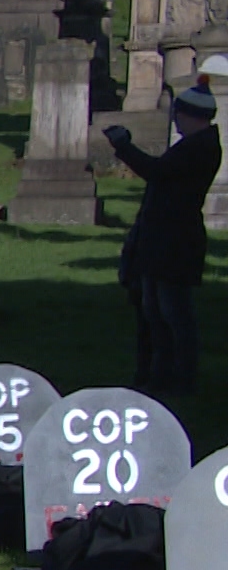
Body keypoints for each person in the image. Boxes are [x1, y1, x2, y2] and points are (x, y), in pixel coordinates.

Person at [105, 76, 221, 396]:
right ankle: (160, 375)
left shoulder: (199, 148)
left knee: (173, 314)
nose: (176, 121)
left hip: (175, 240)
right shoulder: (196, 146)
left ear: (190, 115)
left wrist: (124, 147)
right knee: (155, 312)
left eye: (179, 115)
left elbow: (157, 172)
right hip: (164, 238)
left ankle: (178, 377)